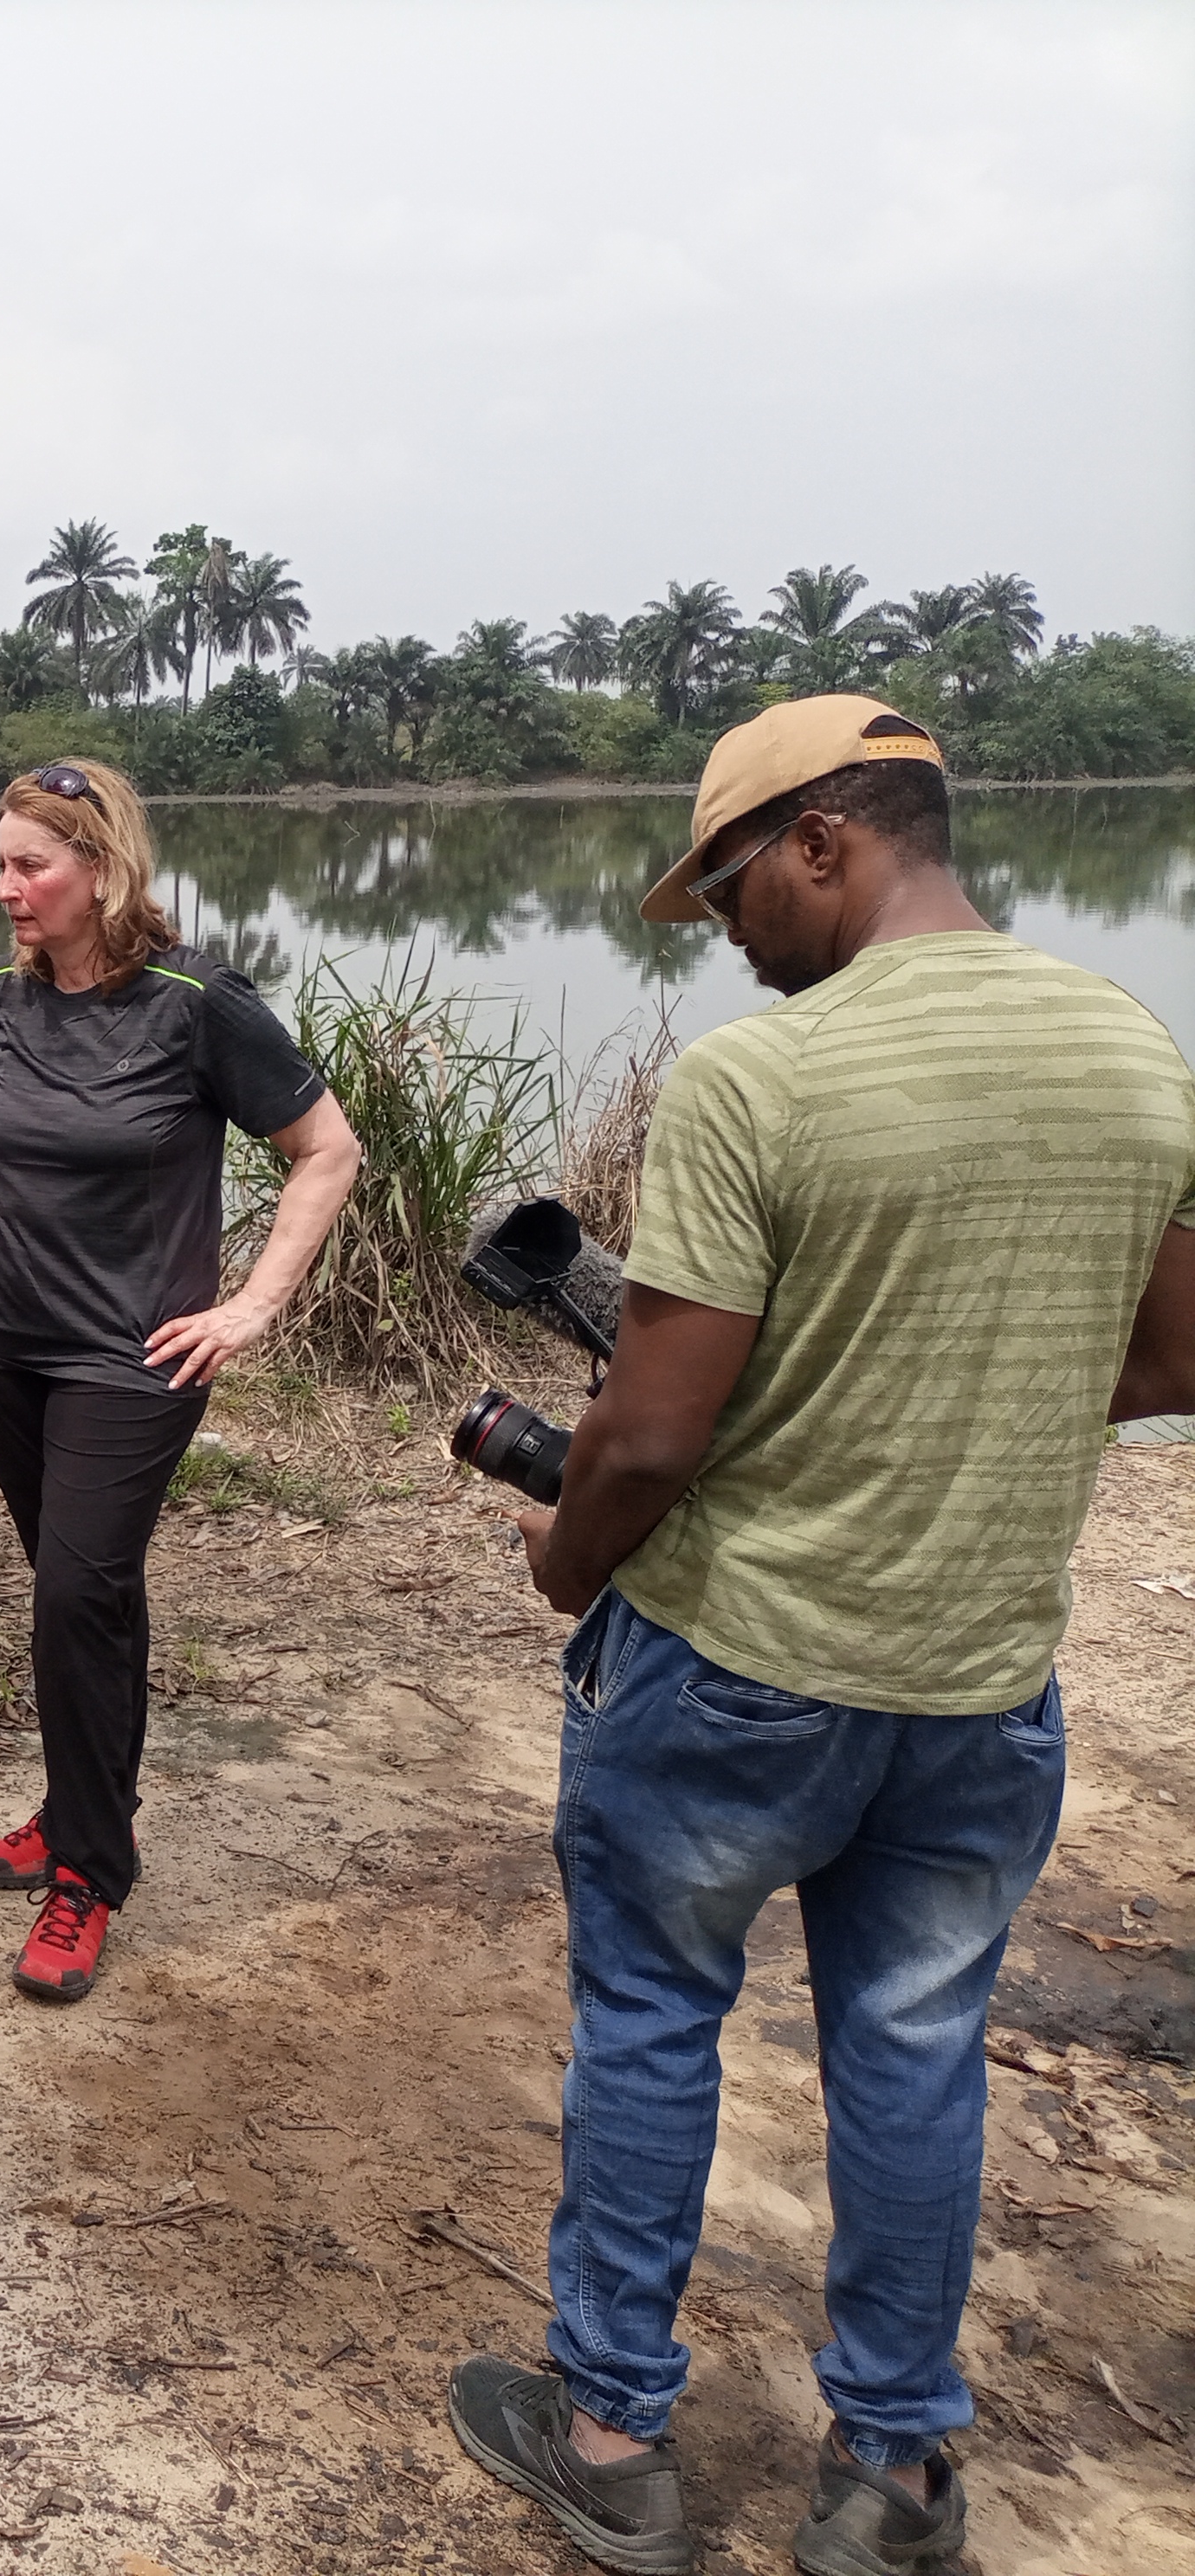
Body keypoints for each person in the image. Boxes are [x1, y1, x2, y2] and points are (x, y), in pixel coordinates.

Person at [447, 697, 1195, 2576]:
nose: (719, 931)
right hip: (973, 1680)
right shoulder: (1129, 1046)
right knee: (917, 2049)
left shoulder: (756, 1086)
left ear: (820, 842)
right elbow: (1182, 1353)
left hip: (729, 1669)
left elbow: (656, 1429)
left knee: (648, 2020)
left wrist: (562, 1562)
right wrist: (953, 1406)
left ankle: (613, 2432)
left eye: (721, 889)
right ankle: (893, 2476)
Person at [0, 760, 360, 2003]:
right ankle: (76, 1813)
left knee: (76, 1589)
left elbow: (325, 1152)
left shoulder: (196, 1000)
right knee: (86, 1595)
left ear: (103, 871)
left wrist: (251, 1308)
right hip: (2, 1335)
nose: (5, 889)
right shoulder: (0, 997)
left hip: (131, 1356)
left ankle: (89, 1875)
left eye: (31, 866)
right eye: (1, 864)